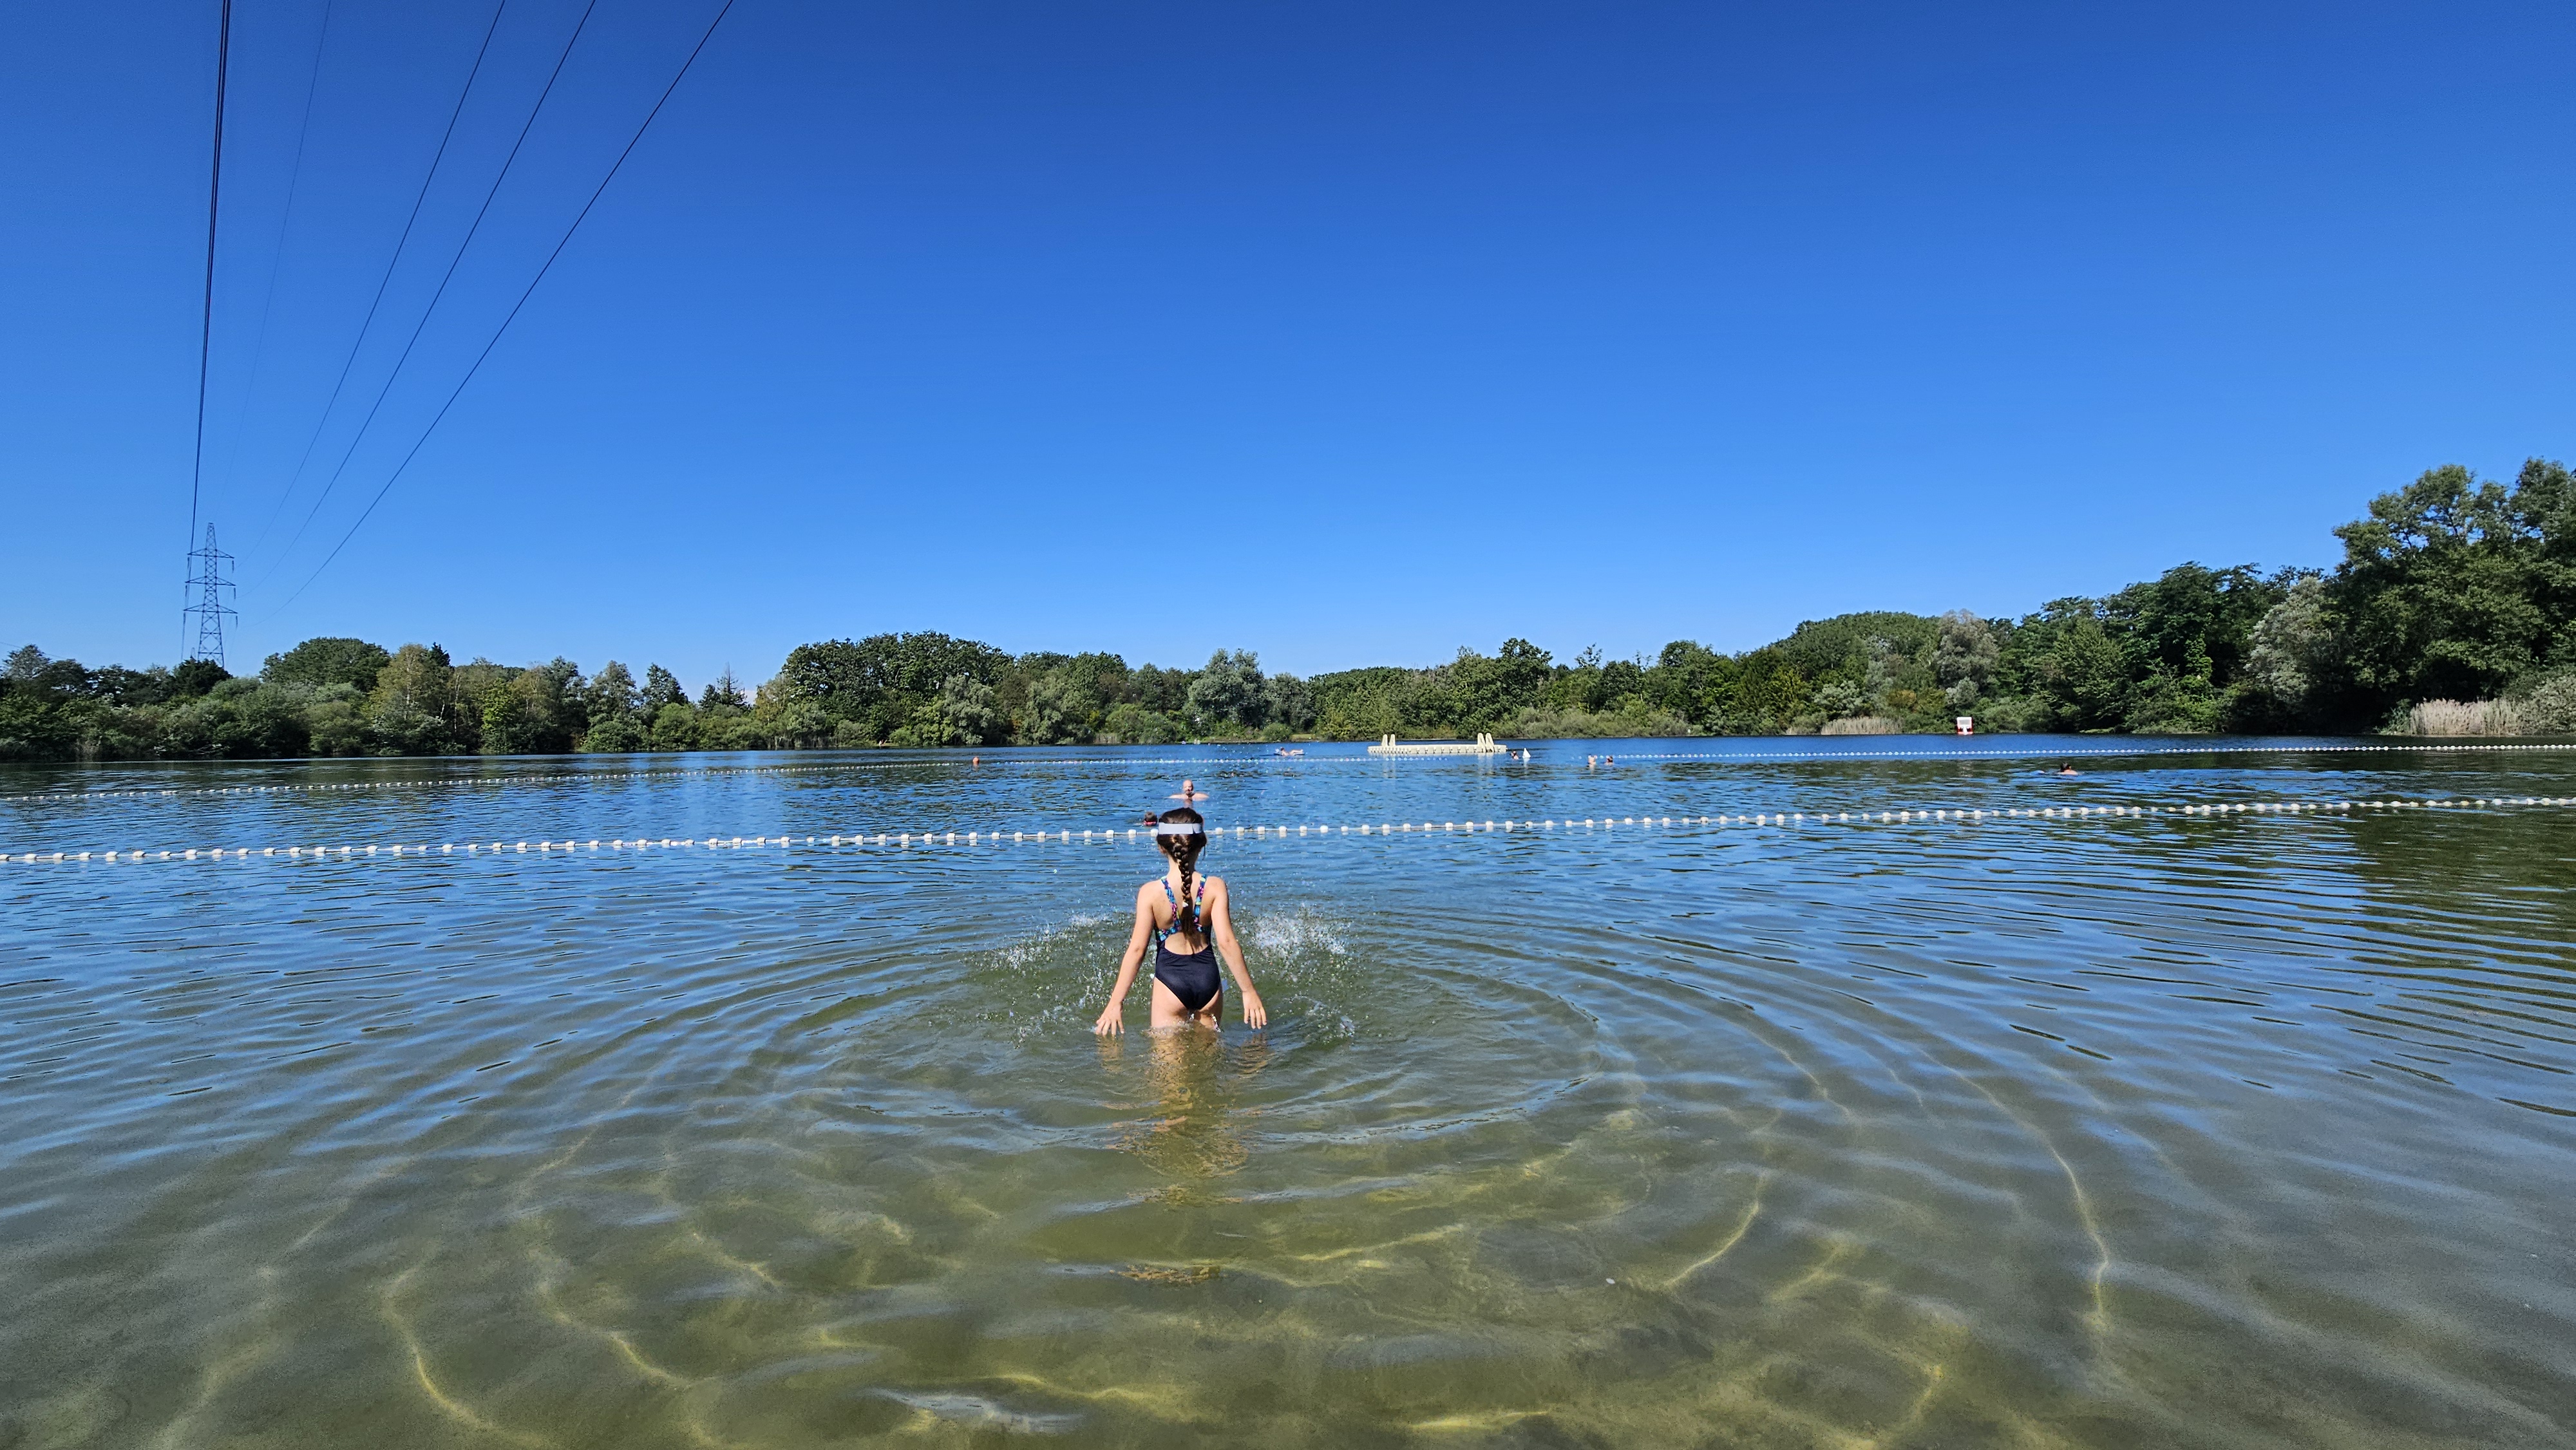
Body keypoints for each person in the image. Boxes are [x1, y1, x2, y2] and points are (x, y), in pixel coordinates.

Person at [1094, 806, 1267, 1034]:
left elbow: (1137, 950)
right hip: (1208, 981)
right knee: (1210, 1055)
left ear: (1161, 847)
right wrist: (1248, 991)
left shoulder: (1150, 893)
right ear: (1202, 844)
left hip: (1169, 984)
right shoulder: (1215, 887)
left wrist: (1116, 1002)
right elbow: (1227, 943)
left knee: (1166, 1058)